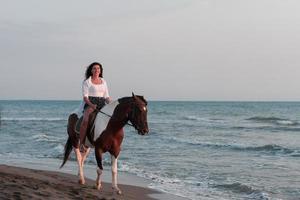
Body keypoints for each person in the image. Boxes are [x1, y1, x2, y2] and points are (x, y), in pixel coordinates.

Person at [79, 62, 111, 148]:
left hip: (102, 102)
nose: (96, 70)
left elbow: (106, 96)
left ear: (100, 71)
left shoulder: (103, 81)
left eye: (98, 68)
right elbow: (85, 97)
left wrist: (111, 104)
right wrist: (91, 105)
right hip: (90, 102)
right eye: (94, 68)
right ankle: (81, 143)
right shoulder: (87, 82)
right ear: (91, 70)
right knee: (85, 120)